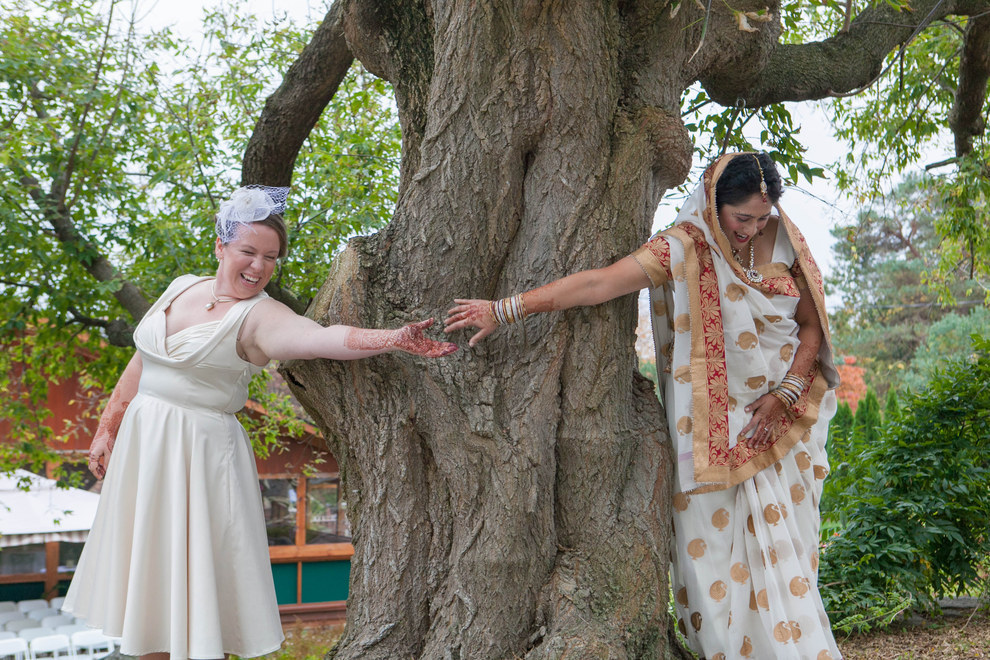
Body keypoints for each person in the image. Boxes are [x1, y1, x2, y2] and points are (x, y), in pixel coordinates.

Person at [445, 153, 842, 659]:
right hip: (709, 438)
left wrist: (784, 395)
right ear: (712, 202)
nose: (752, 229)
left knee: (787, 562)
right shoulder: (683, 248)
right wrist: (505, 309)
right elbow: (597, 284)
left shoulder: (781, 239)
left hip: (780, 428)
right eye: (742, 217)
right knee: (716, 567)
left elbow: (811, 327)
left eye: (761, 218)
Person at [63, 185, 457, 660]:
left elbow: (325, 338)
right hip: (144, 453)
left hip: (200, 460)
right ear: (220, 247)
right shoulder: (181, 286)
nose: (258, 266)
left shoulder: (261, 316)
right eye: (248, 251)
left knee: (200, 592)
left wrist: (395, 337)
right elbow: (142, 361)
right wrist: (108, 427)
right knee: (149, 591)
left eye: (270, 257)